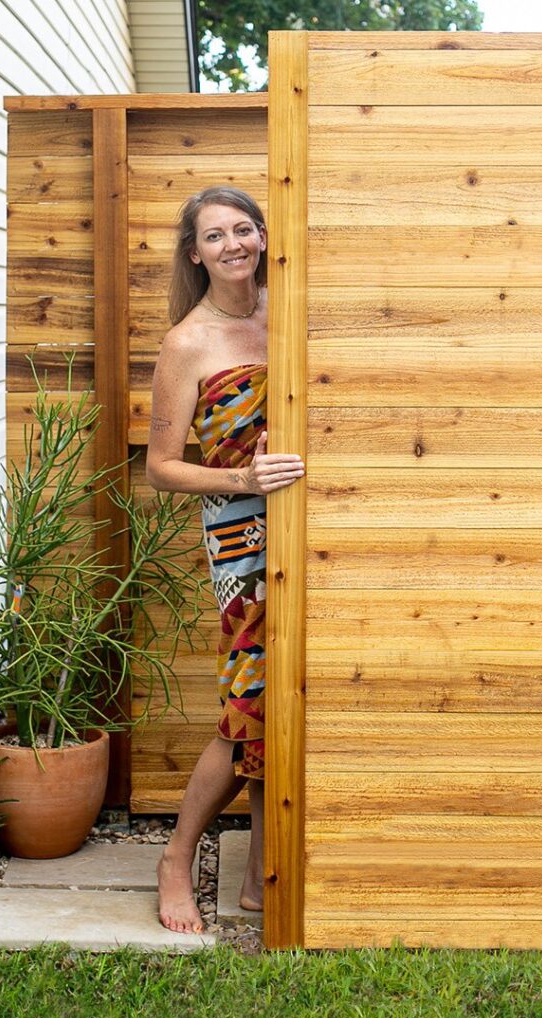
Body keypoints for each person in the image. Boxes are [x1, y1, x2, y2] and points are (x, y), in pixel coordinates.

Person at [145, 186, 305, 934]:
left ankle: (256, 874)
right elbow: (161, 467)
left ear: (264, 233)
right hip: (242, 529)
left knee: (286, 695)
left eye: (244, 228)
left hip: (307, 517)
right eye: (216, 235)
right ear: (196, 253)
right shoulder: (189, 342)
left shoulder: (291, 302)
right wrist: (243, 478)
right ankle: (178, 856)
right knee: (250, 699)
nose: (234, 243)